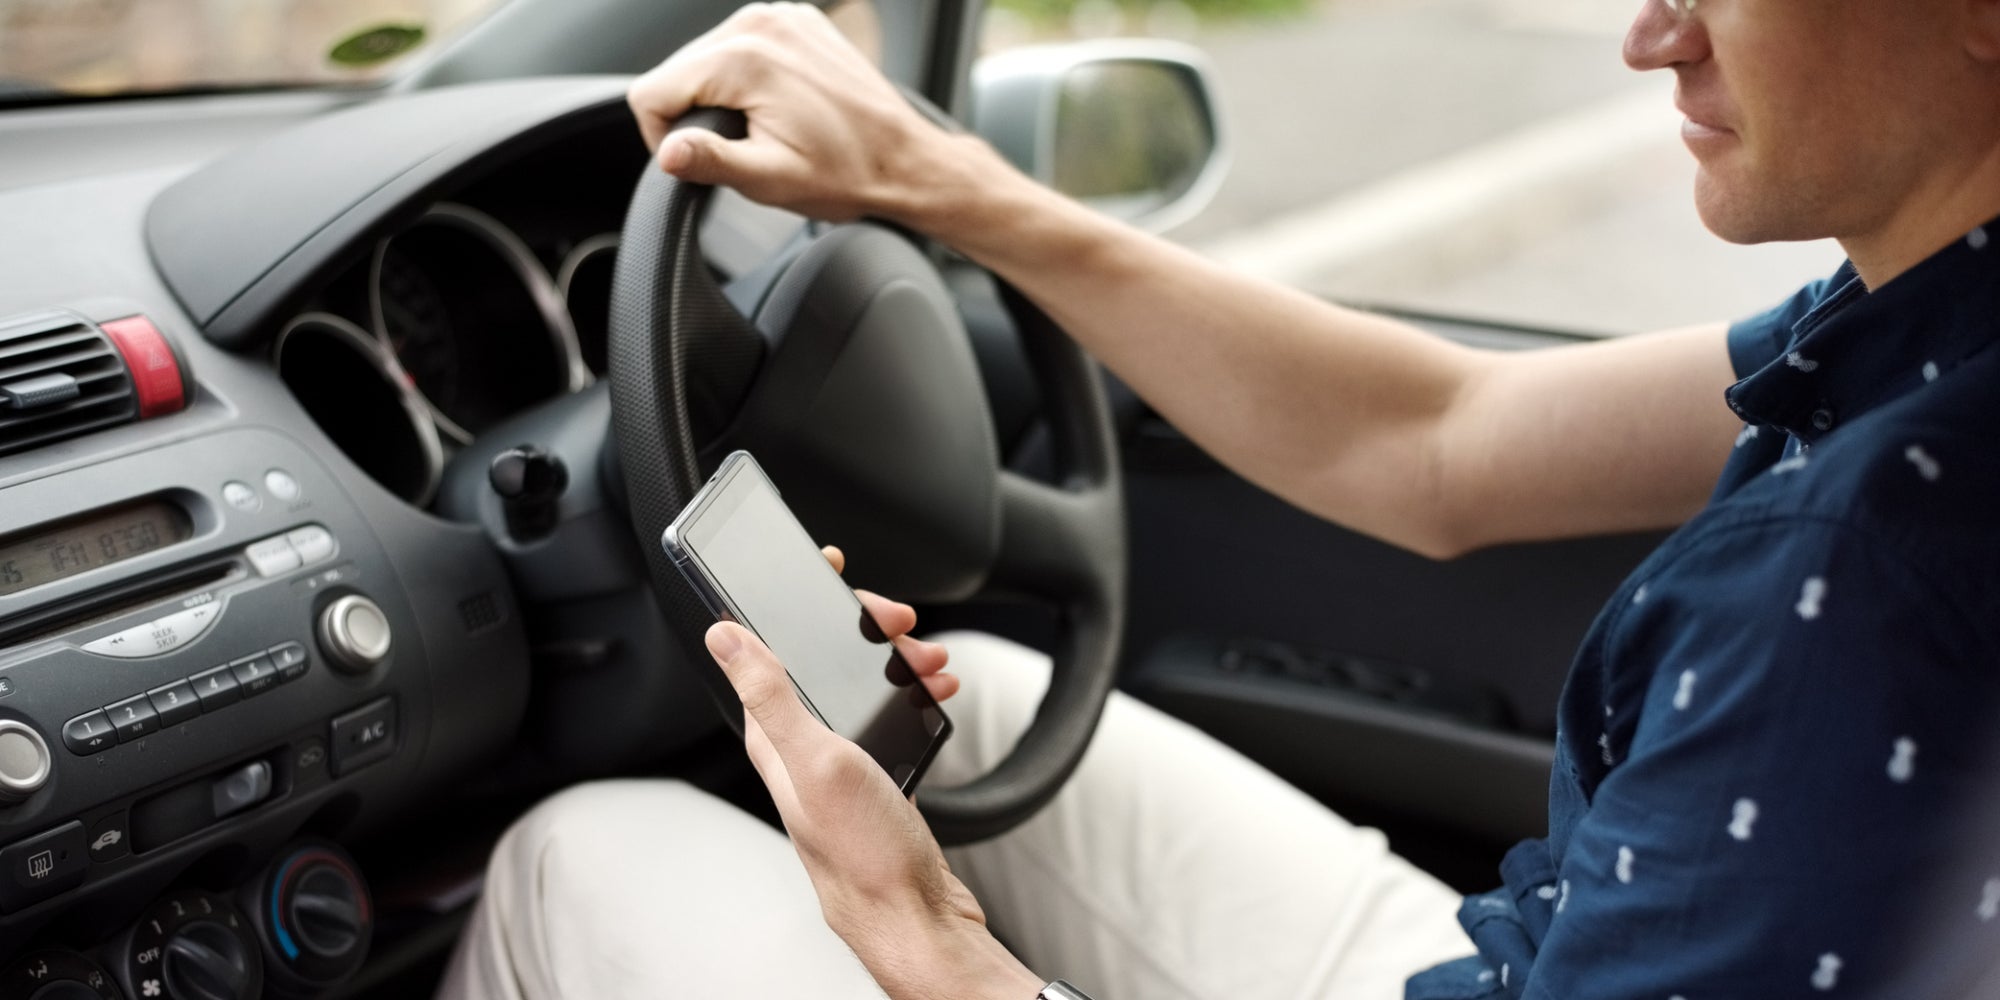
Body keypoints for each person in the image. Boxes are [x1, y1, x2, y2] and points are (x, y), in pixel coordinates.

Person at [437, 0, 2000, 997]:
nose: (1653, 36)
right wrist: (930, 174)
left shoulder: (1862, 570)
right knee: (970, 709)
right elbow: (1443, 436)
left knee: (576, 856)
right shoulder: (1918, 329)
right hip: (1553, 954)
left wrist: (928, 937)